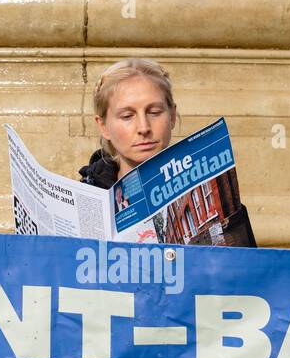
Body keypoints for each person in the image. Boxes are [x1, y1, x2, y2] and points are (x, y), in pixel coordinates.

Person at [80, 58, 256, 246]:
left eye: (154, 112)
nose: (144, 127)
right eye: (127, 116)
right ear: (103, 126)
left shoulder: (204, 182)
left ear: (172, 116)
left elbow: (247, 270)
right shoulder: (88, 197)